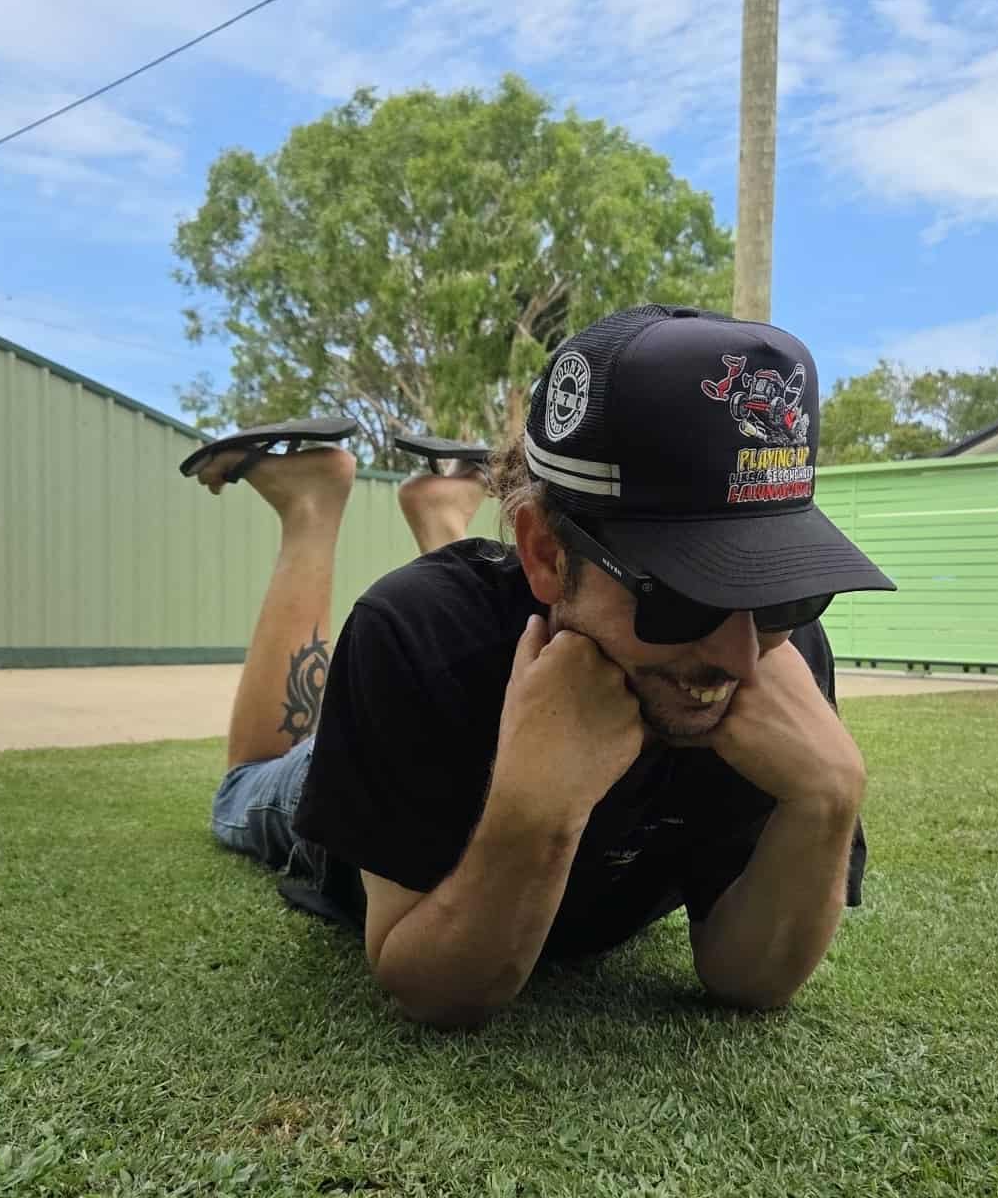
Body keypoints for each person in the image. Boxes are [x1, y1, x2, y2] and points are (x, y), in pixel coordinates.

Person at [183, 305, 894, 1029]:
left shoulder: (782, 654)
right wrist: (537, 808)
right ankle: (311, 503)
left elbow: (747, 981)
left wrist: (828, 801)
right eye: (684, 596)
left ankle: (442, 505)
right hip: (377, 766)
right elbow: (435, 991)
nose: (741, 657)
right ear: (548, 555)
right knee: (245, 788)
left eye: (782, 591)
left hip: (493, 652)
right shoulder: (413, 632)